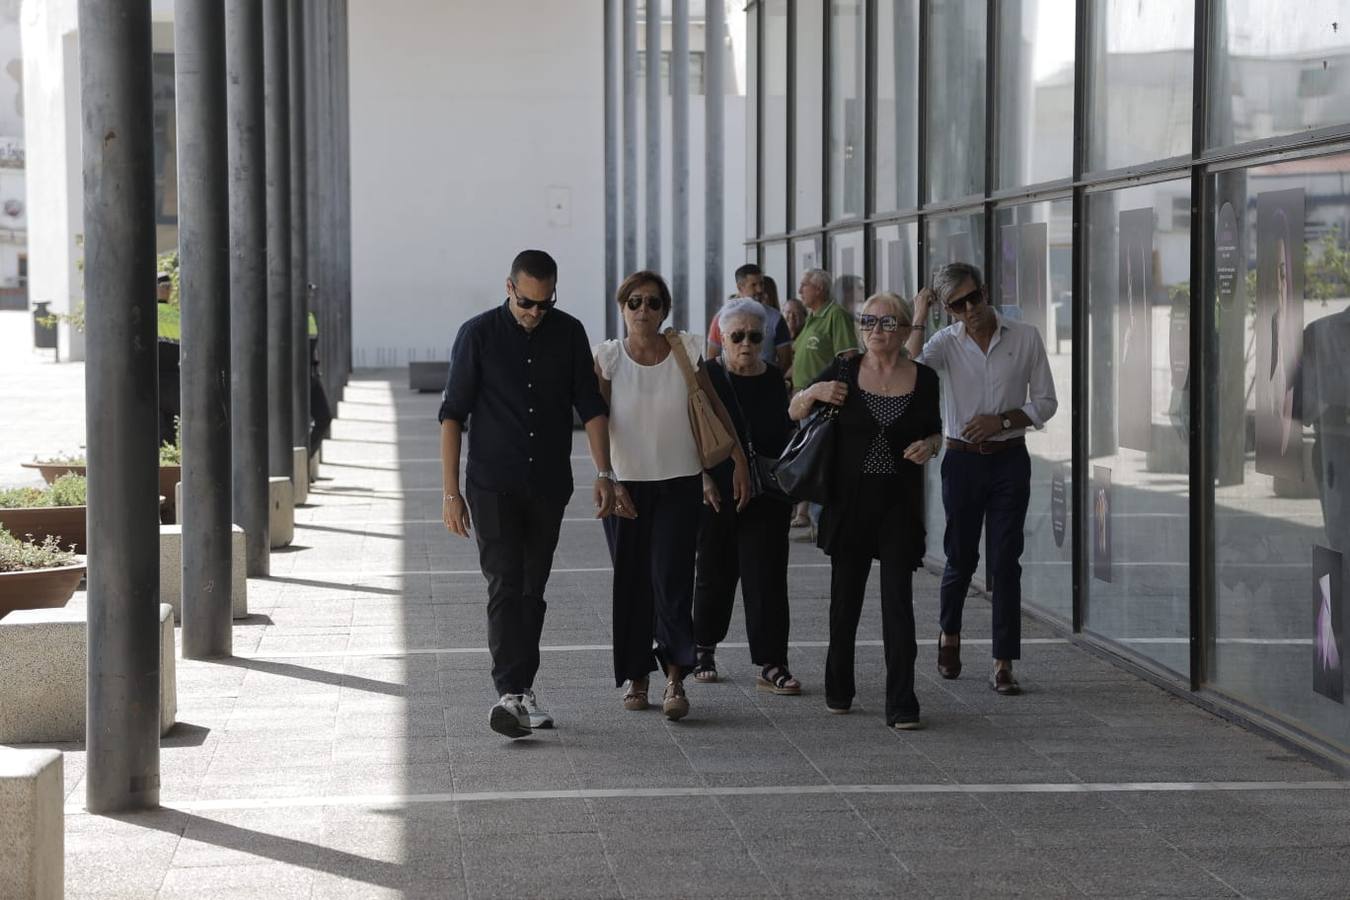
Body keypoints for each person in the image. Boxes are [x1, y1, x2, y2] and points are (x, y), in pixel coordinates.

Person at [439, 249, 624, 739]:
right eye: (527, 302)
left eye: (545, 303)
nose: (535, 312)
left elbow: (591, 408)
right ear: (509, 288)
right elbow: (453, 415)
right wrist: (450, 493)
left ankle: (521, 691)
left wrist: (605, 472)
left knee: (532, 588)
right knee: (504, 582)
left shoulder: (568, 333)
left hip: (546, 485)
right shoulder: (476, 334)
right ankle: (511, 692)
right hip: (491, 485)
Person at [595, 271, 750, 721]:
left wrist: (736, 460)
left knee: (672, 580)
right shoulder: (608, 359)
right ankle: (637, 676)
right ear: (622, 308)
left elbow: (713, 405)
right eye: (635, 302)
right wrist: (605, 476)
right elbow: (596, 421)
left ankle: (675, 678)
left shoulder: (686, 349)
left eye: (653, 303)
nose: (644, 311)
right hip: (627, 485)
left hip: (680, 482)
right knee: (632, 584)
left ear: (665, 310)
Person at [791, 292, 941, 730]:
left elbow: (936, 433)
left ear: (904, 330)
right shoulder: (843, 370)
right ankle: (839, 687)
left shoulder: (925, 379)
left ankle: (902, 701)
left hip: (898, 502)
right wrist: (815, 391)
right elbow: (794, 409)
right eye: (869, 322)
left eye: (887, 323)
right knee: (845, 602)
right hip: (849, 501)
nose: (876, 330)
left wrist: (930, 446)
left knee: (898, 603)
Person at [907, 263, 1058, 696]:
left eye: (975, 297)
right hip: (962, 461)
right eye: (958, 304)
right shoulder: (945, 344)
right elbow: (910, 368)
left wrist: (1004, 420)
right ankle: (949, 632)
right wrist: (920, 313)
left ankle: (1003, 661)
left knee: (1006, 561)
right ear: (948, 309)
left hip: (1010, 458)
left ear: (986, 291)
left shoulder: (1025, 336)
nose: (971, 309)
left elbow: (1046, 401)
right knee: (961, 558)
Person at [692, 299, 797, 693]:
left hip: (767, 492)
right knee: (714, 573)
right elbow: (693, 431)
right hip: (717, 491)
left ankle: (772, 662)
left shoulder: (773, 379)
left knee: (766, 575)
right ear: (722, 337)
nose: (747, 344)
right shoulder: (709, 377)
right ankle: (702, 647)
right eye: (737, 337)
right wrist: (702, 477)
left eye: (755, 336)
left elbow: (785, 434)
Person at [789, 268, 858, 537]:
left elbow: (849, 356)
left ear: (819, 288)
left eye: (804, 284)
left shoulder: (835, 315)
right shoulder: (811, 318)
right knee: (810, 461)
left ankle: (824, 524)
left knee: (821, 463)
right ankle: (817, 521)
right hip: (805, 401)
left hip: (824, 403)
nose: (800, 290)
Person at [707, 263, 793, 371]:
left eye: (761, 284)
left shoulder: (776, 318)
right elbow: (712, 356)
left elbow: (785, 360)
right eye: (754, 285)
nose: (760, 290)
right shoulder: (722, 318)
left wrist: (772, 380)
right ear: (740, 287)